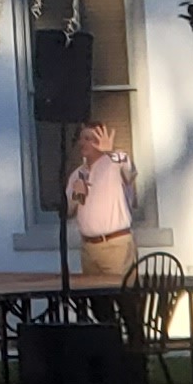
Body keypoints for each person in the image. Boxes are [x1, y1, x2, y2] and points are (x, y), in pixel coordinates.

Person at [65, 119, 138, 283]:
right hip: (88, 249)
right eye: (81, 139)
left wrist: (111, 152)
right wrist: (77, 196)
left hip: (115, 246)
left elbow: (131, 172)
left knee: (121, 292)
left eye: (88, 139)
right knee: (94, 295)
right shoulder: (78, 174)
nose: (82, 143)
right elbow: (68, 211)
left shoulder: (115, 162)